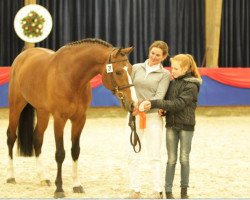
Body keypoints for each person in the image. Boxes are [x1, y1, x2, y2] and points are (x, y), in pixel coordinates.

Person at [142, 54, 202, 199]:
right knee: (171, 159)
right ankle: (168, 192)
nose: (172, 71)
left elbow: (178, 104)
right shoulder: (172, 83)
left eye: (175, 68)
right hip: (171, 125)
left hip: (186, 126)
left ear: (186, 68)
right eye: (171, 67)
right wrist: (164, 111)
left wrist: (155, 103)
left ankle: (184, 191)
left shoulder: (192, 85)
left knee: (184, 158)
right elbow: (169, 103)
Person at [127, 40, 171, 199]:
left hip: (153, 118)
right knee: (133, 153)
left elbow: (159, 97)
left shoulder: (165, 74)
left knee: (154, 154)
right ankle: (135, 189)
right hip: (134, 116)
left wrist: (142, 105)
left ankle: (157, 190)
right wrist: (133, 106)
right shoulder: (137, 68)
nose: (154, 57)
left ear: (164, 57)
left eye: (158, 55)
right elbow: (128, 88)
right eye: (152, 53)